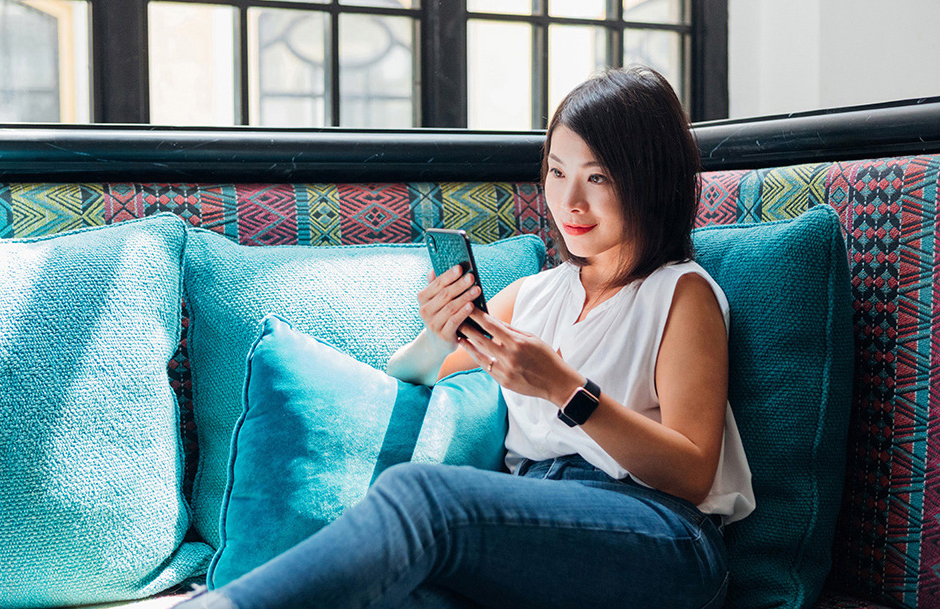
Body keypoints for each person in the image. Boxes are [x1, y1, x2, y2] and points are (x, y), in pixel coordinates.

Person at [178, 66, 755, 609]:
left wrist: (564, 389)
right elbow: (411, 379)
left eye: (598, 177)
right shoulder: (534, 295)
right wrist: (436, 336)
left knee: (424, 498)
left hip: (661, 533)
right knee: (401, 582)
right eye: (557, 171)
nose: (570, 202)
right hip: (532, 519)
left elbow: (693, 472)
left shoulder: (681, 293)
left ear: (651, 179)